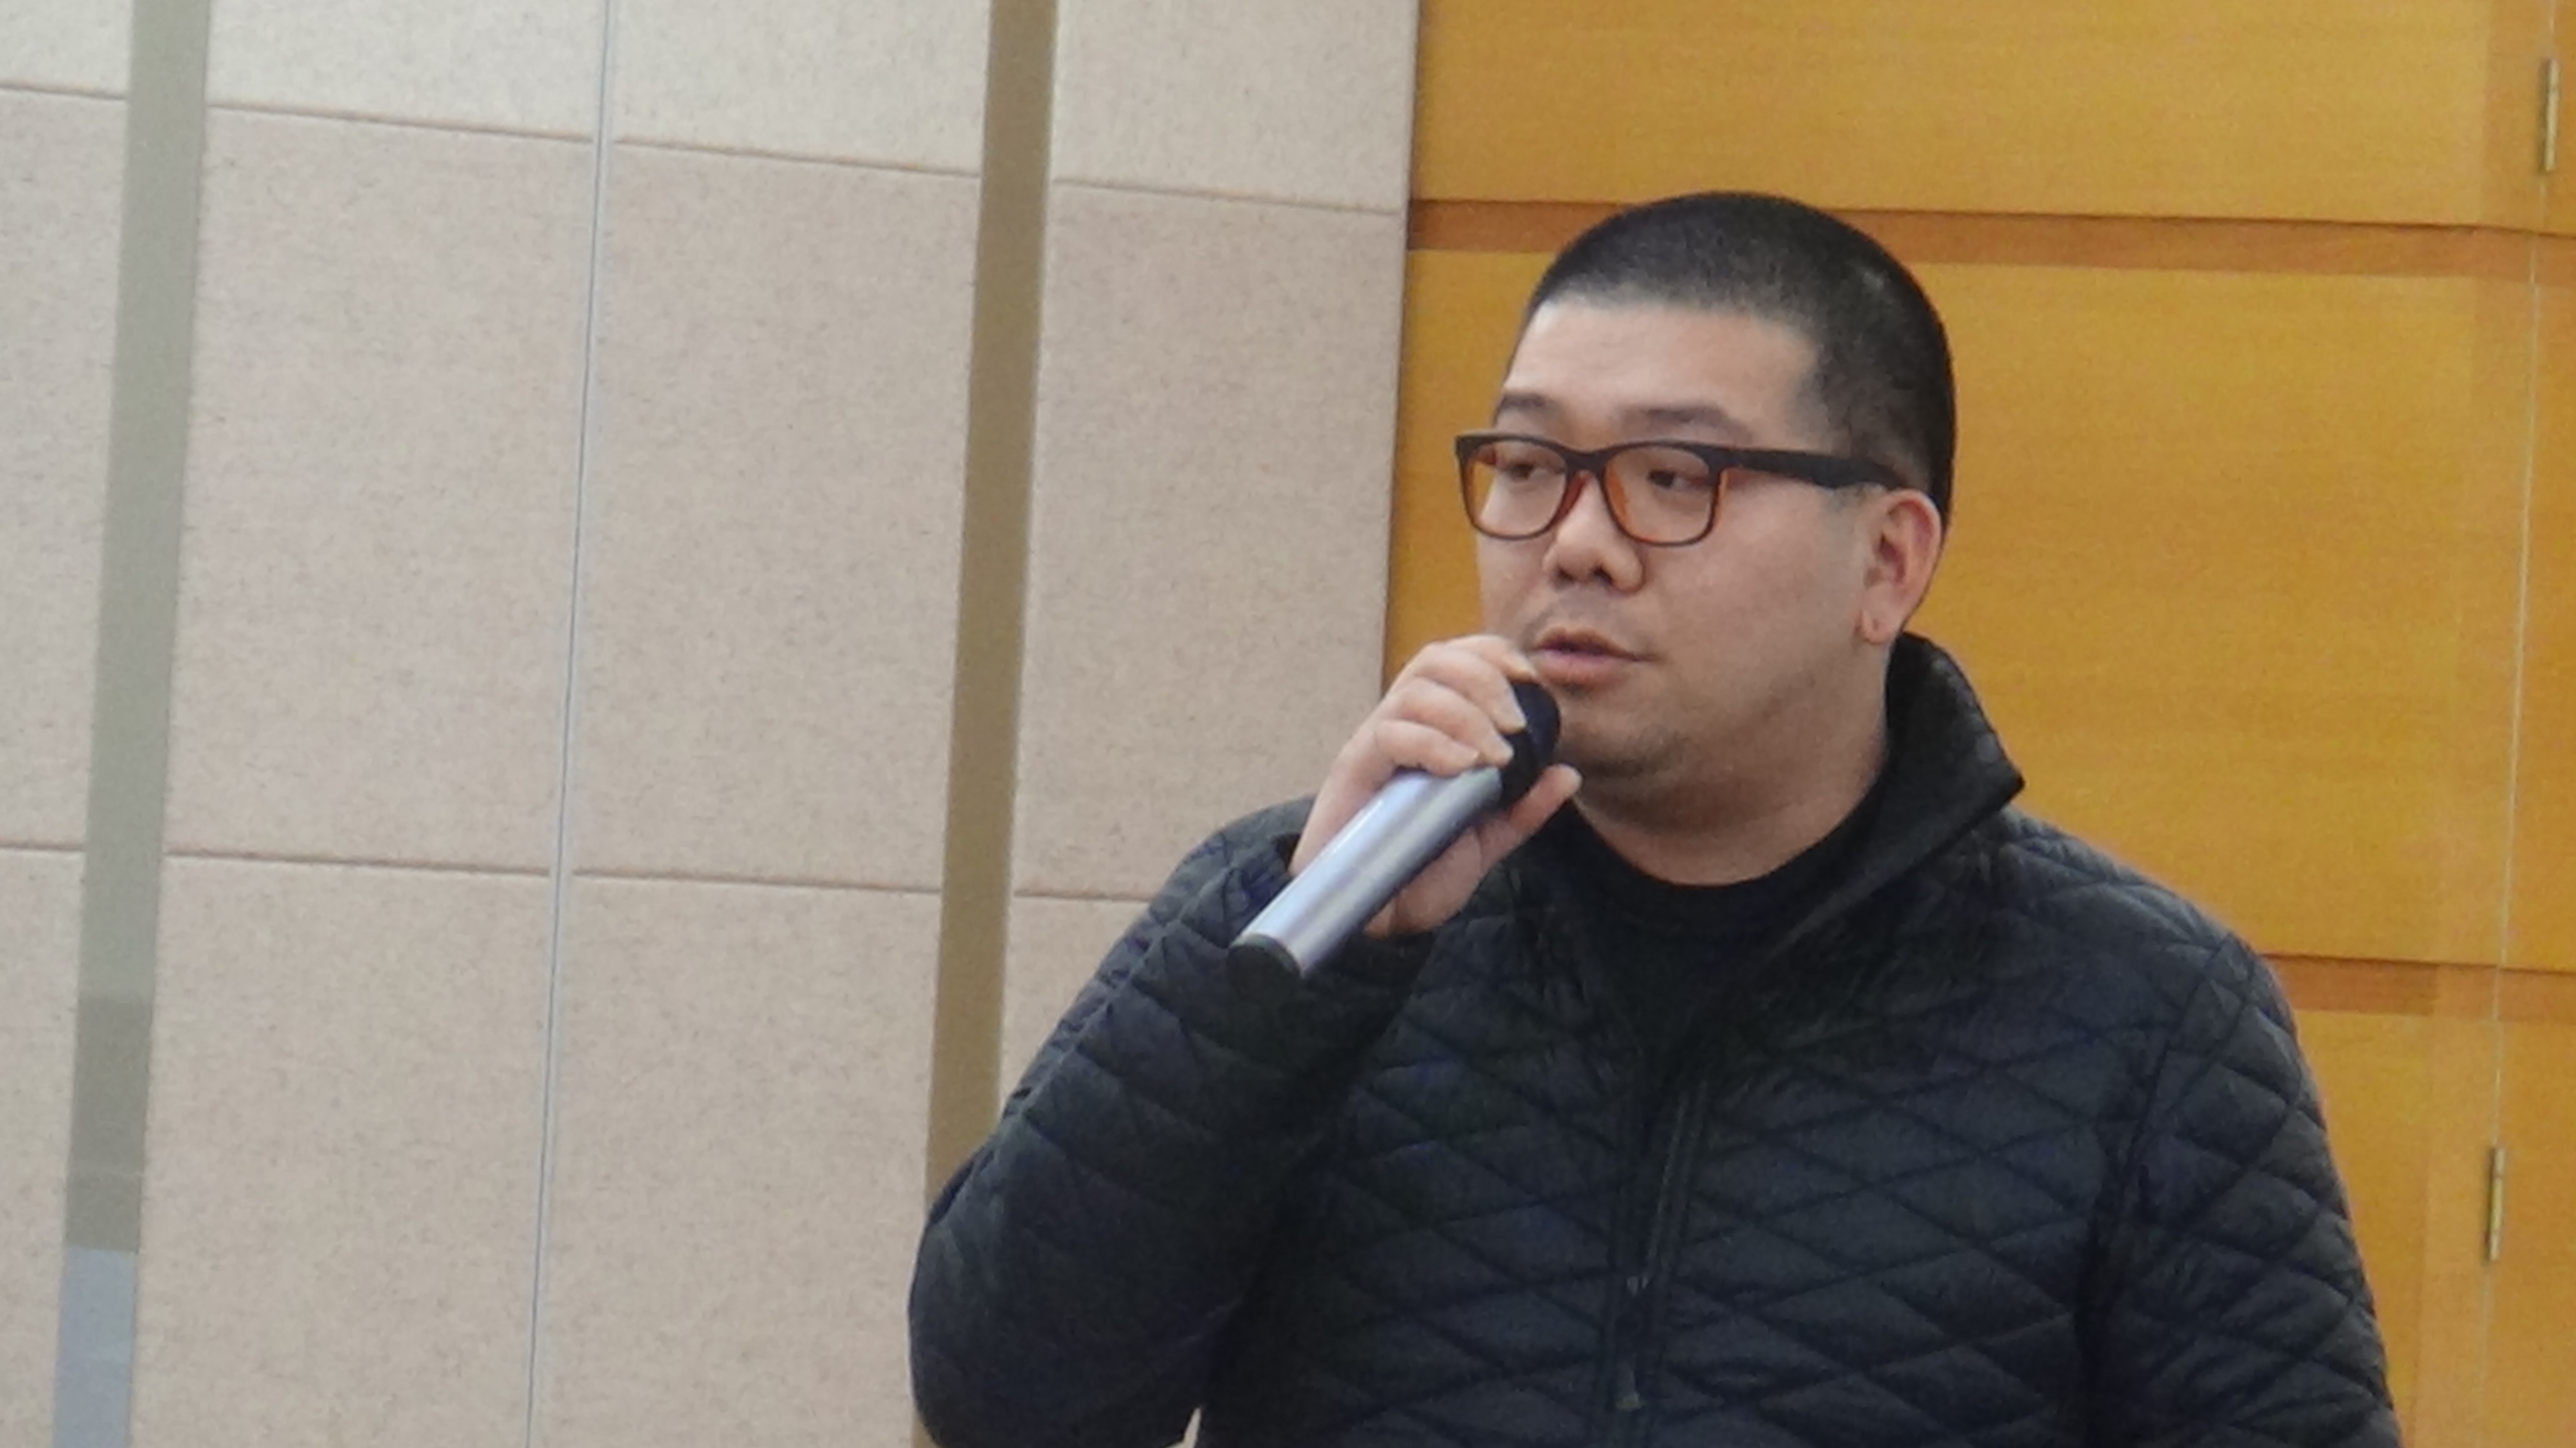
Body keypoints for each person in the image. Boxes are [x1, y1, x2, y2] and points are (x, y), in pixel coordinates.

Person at [909, 192, 2398, 1448]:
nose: (1577, 545)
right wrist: (1295, 983)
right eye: (1529, 468)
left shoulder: (2142, 1012)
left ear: (1889, 560)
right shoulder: (1298, 903)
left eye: (1673, 478)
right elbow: (1003, 1400)